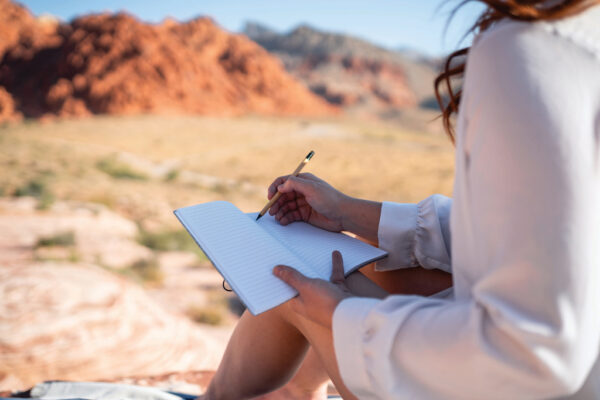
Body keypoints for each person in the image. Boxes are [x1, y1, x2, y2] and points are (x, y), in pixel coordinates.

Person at [199, 1, 600, 399]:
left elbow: (533, 351)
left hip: (527, 381)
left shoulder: (530, 46)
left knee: (290, 279)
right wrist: (347, 212)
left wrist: (344, 317)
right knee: (372, 267)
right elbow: (524, 233)